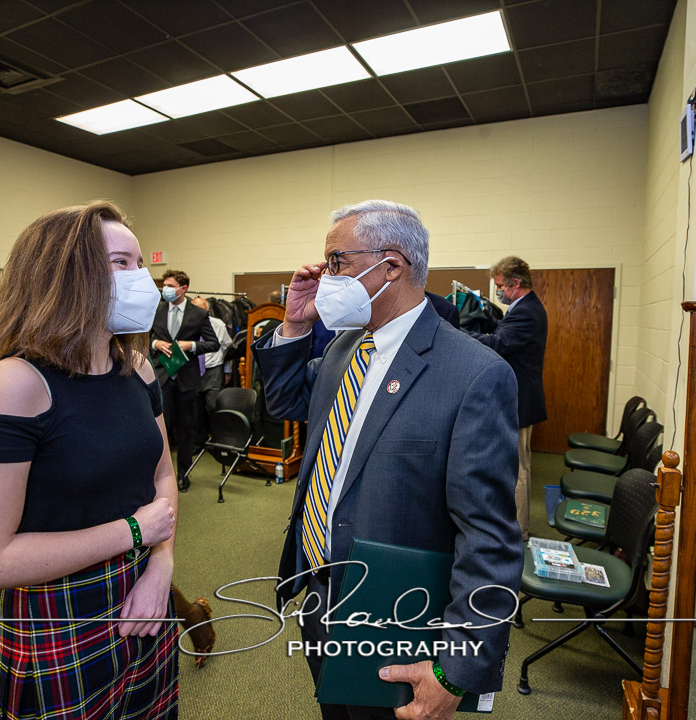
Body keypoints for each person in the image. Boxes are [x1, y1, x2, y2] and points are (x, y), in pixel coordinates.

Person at [254, 199, 522, 720]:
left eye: (336, 262)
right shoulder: (343, 348)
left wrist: (456, 667)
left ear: (391, 265)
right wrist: (292, 324)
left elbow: (489, 538)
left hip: (394, 612)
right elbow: (284, 403)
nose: (326, 275)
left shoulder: (474, 374)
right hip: (320, 595)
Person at [0, 201, 181, 719]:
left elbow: (162, 473)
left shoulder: (136, 368)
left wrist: (160, 566)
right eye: (121, 263)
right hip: (58, 617)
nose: (140, 278)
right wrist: (136, 532)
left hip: (146, 601)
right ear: (65, 275)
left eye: (140, 263)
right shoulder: (14, 382)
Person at [467, 255, 548, 541]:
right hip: (522, 399)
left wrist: (461, 336)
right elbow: (504, 331)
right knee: (519, 467)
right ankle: (518, 528)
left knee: (519, 471)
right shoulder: (522, 308)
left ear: (515, 283)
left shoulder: (526, 311)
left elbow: (500, 343)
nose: (499, 291)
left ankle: (519, 532)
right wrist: (487, 317)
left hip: (520, 402)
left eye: (500, 285)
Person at [149, 269, 219, 491]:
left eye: (170, 286)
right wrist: (155, 344)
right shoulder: (156, 310)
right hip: (162, 377)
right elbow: (146, 336)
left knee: (185, 429)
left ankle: (183, 474)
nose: (166, 290)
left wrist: (192, 346)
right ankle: (159, 475)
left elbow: (213, 343)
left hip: (186, 380)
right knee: (162, 428)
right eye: (165, 286)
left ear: (183, 289)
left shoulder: (198, 314)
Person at [189, 296, 233, 449]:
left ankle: (218, 441)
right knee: (195, 408)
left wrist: (227, 370)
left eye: (200, 308)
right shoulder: (187, 324)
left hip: (213, 370)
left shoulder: (218, 324)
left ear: (207, 310)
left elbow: (228, 347)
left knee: (213, 406)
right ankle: (197, 442)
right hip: (193, 369)